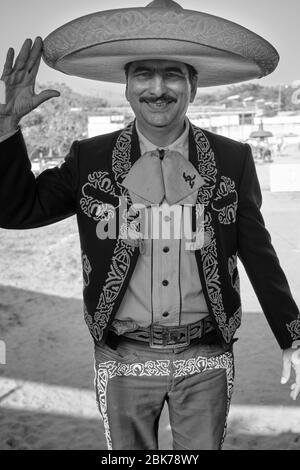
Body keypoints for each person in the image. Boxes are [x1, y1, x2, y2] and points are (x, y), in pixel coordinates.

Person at [0, 0, 300, 451]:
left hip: (207, 356)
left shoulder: (232, 158)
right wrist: (6, 127)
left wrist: (292, 335)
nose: (157, 88)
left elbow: (259, 254)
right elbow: (18, 211)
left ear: (193, 86)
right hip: (122, 357)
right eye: (143, 73)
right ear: (125, 86)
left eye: (173, 74)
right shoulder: (90, 157)